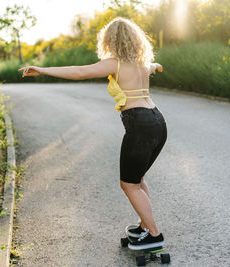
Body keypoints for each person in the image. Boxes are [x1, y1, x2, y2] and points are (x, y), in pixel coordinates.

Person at [18, 17, 167, 250]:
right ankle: (145, 226)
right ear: (134, 38)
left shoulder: (115, 63)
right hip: (158, 121)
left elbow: (79, 71)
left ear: (111, 40)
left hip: (140, 125)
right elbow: (151, 67)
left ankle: (154, 234)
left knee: (128, 184)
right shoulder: (141, 62)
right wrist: (155, 66)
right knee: (137, 180)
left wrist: (41, 69)